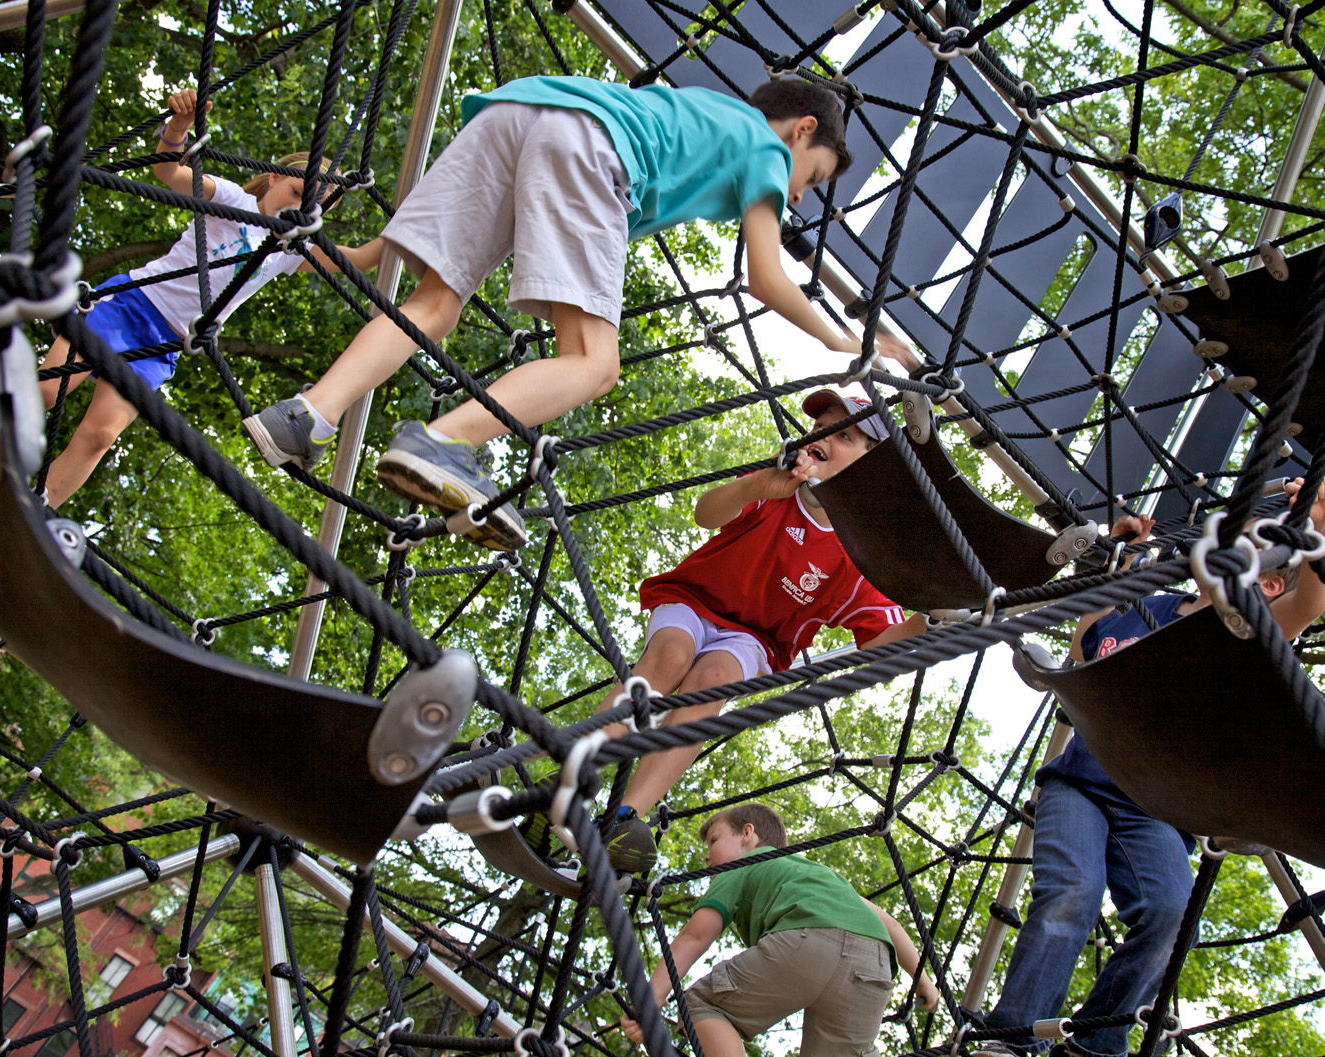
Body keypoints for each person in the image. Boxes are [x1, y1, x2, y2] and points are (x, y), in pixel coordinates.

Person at [242, 75, 918, 552]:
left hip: (515, 113)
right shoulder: (767, 149)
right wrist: (845, 340)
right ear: (803, 132)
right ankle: (443, 440)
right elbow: (768, 278)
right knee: (594, 364)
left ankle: (306, 413)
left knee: (432, 306)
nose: (800, 196)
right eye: (816, 176)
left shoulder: (705, 112)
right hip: (591, 149)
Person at [974, 478, 1325, 1057]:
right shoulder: (1152, 607)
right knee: (1070, 894)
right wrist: (1119, 567)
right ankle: (1010, 1038)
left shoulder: (1247, 635)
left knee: (1171, 914)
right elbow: (1088, 644)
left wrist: (1319, 526)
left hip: (1159, 809)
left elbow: (1311, 601)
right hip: (1084, 784)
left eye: (1240, 546)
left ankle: (1096, 1044)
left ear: (1266, 585)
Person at [0, 88, 383, 510]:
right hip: (130, 305)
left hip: (163, 345)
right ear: (271, 179)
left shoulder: (290, 251)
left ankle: (34, 513)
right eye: (296, 191)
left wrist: (414, 228)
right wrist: (178, 128)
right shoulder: (229, 200)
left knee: (101, 434)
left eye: (312, 205)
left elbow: (360, 259)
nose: (297, 207)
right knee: (48, 388)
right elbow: (168, 170)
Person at [534, 390, 926, 874]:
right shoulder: (776, 489)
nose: (823, 436)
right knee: (672, 656)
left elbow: (883, 644)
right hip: (693, 602)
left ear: (870, 468)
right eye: (822, 426)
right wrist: (757, 485)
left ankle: (621, 819)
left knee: (714, 678)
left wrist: (934, 618)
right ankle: (572, 776)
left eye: (844, 435)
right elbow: (706, 513)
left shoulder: (855, 555)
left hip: (753, 639)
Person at [619, 803, 938, 1057]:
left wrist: (649, 1003)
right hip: (874, 966)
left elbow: (695, 936)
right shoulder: (816, 874)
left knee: (701, 1005)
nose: (706, 855)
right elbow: (891, 924)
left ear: (747, 834)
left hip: (805, 945)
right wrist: (924, 981)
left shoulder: (743, 864)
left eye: (714, 841)